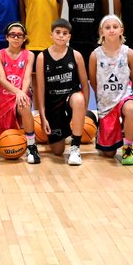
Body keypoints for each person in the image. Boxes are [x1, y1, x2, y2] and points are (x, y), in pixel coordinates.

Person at [34, 19, 90, 165]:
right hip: (53, 105)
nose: (61, 36)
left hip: (70, 100)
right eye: (57, 32)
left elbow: (85, 84)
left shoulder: (76, 55)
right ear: (51, 35)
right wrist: (42, 116)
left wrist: (84, 109)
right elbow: (40, 88)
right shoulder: (42, 57)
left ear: (69, 37)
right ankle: (63, 131)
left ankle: (75, 147)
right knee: (57, 150)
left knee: (78, 99)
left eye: (65, 33)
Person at [88, 15, 133, 166]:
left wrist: (126, 93)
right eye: (107, 27)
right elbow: (93, 80)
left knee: (130, 109)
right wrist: (103, 95)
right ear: (101, 32)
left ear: (121, 30)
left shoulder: (129, 53)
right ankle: (104, 133)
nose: (111, 30)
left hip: (124, 96)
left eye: (115, 27)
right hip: (106, 102)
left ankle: (128, 149)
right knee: (108, 154)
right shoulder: (95, 55)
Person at [0, 22, 38, 165]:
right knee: (7, 140)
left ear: (24, 38)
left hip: (21, 94)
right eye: (13, 35)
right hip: (4, 97)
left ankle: (32, 146)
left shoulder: (29, 55)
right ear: (7, 37)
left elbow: (27, 77)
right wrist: (17, 92)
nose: (16, 38)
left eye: (19, 35)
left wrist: (22, 94)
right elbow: (1, 78)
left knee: (24, 105)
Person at [66, 0, 108, 80]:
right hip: (76, 43)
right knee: (78, 80)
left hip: (95, 43)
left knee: (98, 80)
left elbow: (105, 18)